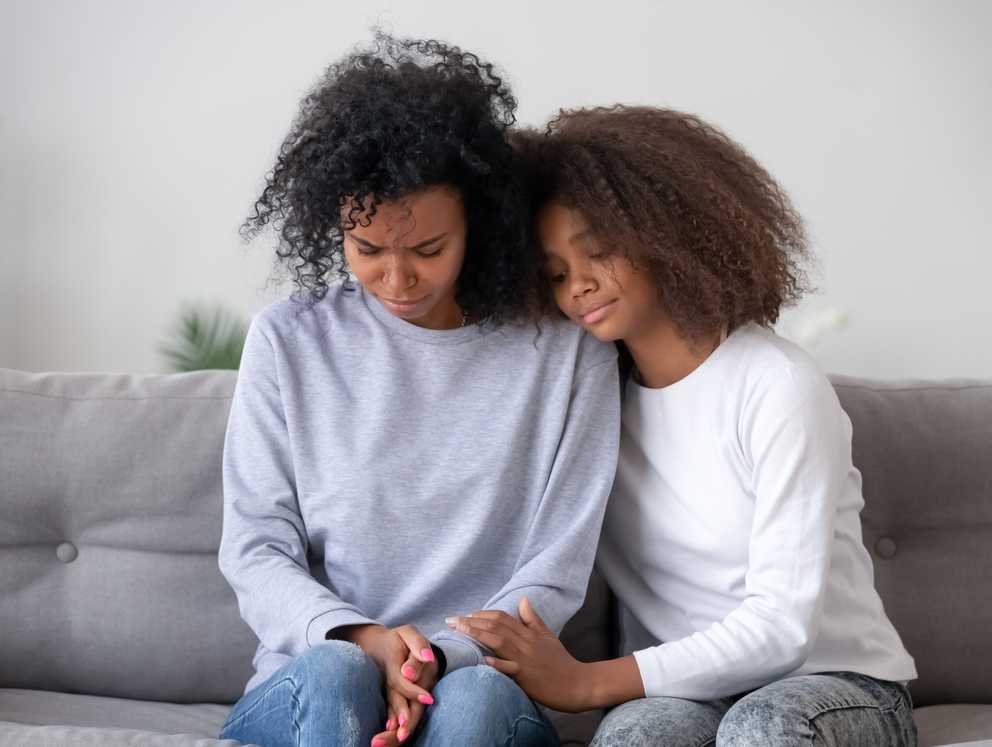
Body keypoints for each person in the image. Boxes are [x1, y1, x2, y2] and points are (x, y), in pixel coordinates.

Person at [448, 106, 919, 746]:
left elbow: (782, 626)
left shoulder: (775, 385)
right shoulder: (591, 403)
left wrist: (587, 683)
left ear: (668, 233)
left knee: (763, 729)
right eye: (555, 274)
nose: (578, 286)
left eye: (599, 253)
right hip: (688, 693)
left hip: (836, 686)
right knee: (633, 739)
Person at [217, 35, 619, 747]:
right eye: (367, 250)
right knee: (336, 674)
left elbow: (555, 567)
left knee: (473, 703)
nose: (398, 282)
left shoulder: (563, 351)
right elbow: (255, 548)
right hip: (318, 681)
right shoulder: (289, 340)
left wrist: (439, 658)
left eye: (428, 251)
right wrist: (364, 639)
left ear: (479, 224)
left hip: (480, 680)